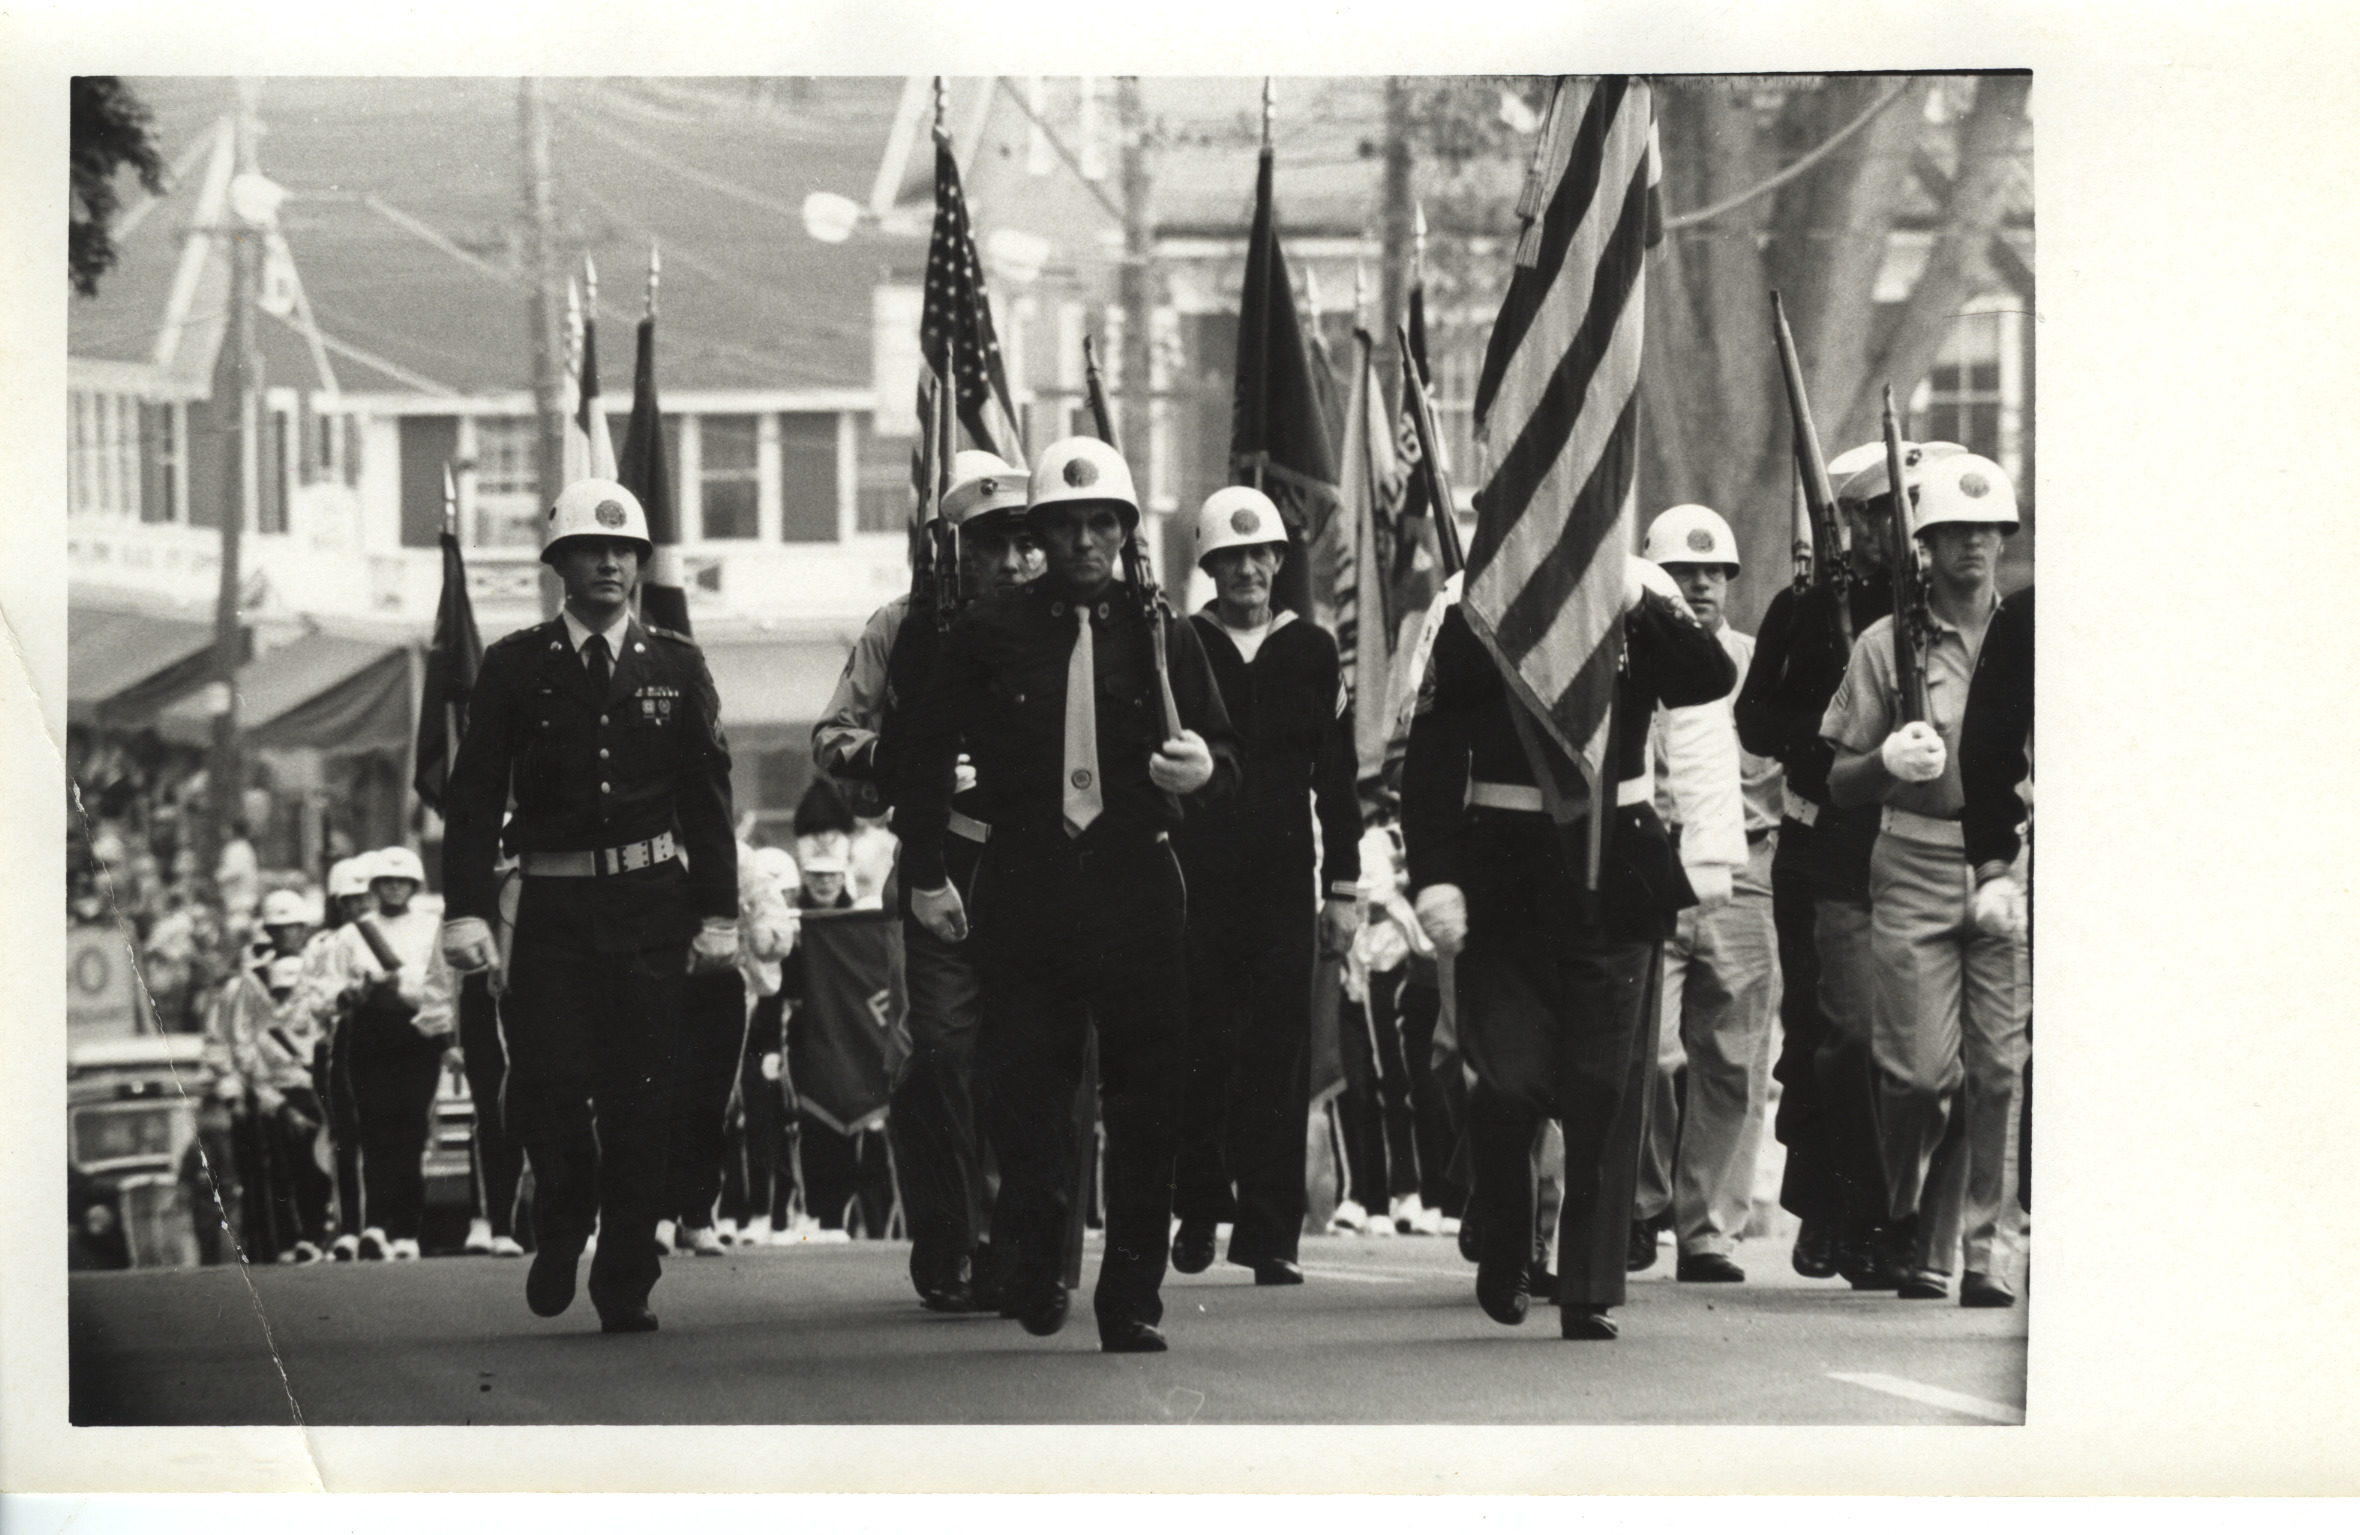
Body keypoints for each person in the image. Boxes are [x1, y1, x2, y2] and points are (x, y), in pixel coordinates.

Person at [893, 436, 1241, 1353]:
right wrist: (925, 873)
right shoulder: (988, 633)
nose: (1085, 540)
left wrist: (1204, 768)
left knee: (1144, 1104)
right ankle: (1039, 1251)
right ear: (1041, 534)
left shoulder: (1164, 632)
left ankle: (1130, 1296)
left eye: (1102, 523)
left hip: (1136, 889)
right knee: (1025, 1094)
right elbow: (922, 754)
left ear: (1125, 530)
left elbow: (1227, 755)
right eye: (1066, 525)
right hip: (1028, 887)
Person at [1402, 557, 1736, 1341]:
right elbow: (1433, 757)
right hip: (1506, 877)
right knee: (1507, 1079)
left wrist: (1638, 599)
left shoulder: (1637, 595)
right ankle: (1508, 1237)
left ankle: (1589, 1282)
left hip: (1616, 871)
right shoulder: (1475, 610)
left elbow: (1707, 676)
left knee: (1604, 1089)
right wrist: (1437, 875)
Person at [438, 477, 740, 1333]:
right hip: (553, 909)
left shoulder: (676, 664)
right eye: (590, 550)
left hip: (650, 906)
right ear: (560, 564)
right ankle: (564, 1216)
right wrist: (466, 908)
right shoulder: (516, 664)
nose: (609, 563)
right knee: (548, 1083)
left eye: (623, 551)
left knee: (645, 1096)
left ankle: (626, 1273)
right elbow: (473, 795)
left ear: (639, 563)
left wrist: (719, 912)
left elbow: (708, 799)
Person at [820, 450, 1046, 1308]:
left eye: (1027, 542)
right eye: (991, 544)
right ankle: (951, 1238)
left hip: (1037, 869)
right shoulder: (903, 626)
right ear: (957, 547)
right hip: (939, 862)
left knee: (1029, 1062)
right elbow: (833, 738)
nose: (1013, 562)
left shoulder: (1067, 625)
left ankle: (1020, 1247)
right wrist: (906, 761)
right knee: (938, 1058)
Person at [1822, 451, 2029, 1308]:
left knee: (1998, 1069)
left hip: (2008, 864)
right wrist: (1886, 761)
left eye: (1986, 530)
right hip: (1912, 856)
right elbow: (1838, 780)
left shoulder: (2031, 637)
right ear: (1927, 545)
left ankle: (1986, 1249)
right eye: (1953, 532)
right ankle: (1904, 1208)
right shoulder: (1886, 644)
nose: (1972, 545)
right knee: (1918, 1076)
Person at [1735, 442, 1936, 1287]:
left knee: (1910, 1041)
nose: (1900, 528)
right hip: (1823, 837)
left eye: (1911, 512)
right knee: (1830, 1035)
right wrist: (1826, 743)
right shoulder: (1807, 606)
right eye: (1883, 512)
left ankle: (1898, 1220)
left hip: (1912, 841)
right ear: (1852, 518)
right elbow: (1754, 719)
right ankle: (1831, 1205)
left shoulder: (1932, 612)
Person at [1169, 486, 1361, 1286]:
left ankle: (1270, 1231)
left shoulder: (1312, 650)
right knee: (1201, 1045)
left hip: (1284, 882)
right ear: (1209, 567)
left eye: (1260, 555)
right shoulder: (1181, 644)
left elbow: (1338, 779)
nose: (1247, 569)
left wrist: (1343, 886)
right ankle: (1198, 1204)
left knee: (1278, 1055)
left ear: (1280, 560)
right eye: (1230, 558)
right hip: (1196, 880)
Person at [1628, 505, 1775, 1283]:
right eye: (1684, 572)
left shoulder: (1760, 663)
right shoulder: (1629, 658)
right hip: (1654, 866)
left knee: (1733, 1059)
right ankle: (1640, 1201)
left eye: (1715, 571)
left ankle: (1709, 1228)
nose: (1701, 584)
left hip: (1745, 871)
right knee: (1645, 1052)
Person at [660, 831, 796, 1257]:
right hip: (662, 983)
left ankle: (697, 1218)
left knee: (711, 1103)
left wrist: (766, 932)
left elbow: (768, 905)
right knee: (665, 1099)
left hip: (721, 984)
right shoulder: (649, 845)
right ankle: (661, 1216)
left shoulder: (737, 854)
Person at [337, 846, 456, 1262]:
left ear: (413, 885)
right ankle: (375, 1226)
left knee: (411, 1132)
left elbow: (440, 987)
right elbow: (329, 991)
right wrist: (355, 990)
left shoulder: (431, 926)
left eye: (400, 881)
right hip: (369, 1034)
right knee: (375, 1129)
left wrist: (401, 985)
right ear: (374, 886)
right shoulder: (353, 933)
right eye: (385, 881)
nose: (393, 888)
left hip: (417, 1035)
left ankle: (406, 1230)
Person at [1958, 585, 2033, 1227]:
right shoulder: (2028, 617)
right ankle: (2005, 1242)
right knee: (2018, 1060)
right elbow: (1988, 754)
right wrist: (1994, 865)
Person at [224, 887, 334, 1263]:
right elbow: (242, 1039)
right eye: (279, 928)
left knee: (327, 1163)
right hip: (277, 1088)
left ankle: (325, 1235)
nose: (288, 935)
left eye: (294, 927)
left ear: (305, 929)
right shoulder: (253, 979)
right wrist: (264, 1089)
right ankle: (290, 1240)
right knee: (284, 1170)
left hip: (322, 1081)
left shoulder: (321, 968)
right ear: (268, 931)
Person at [297, 854, 376, 1259]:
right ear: (337, 903)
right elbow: (314, 997)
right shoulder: (322, 946)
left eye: (365, 898)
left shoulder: (390, 935)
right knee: (344, 1139)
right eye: (351, 900)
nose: (359, 906)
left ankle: (381, 1226)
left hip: (387, 1047)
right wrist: (345, 997)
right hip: (336, 1047)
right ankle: (347, 1226)